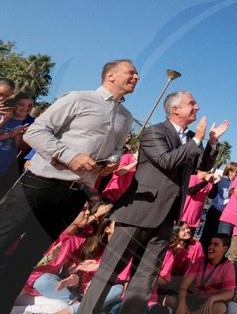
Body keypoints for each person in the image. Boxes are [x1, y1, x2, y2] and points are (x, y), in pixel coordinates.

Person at [0, 59, 138, 313]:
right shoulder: (78, 98)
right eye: (131, 72)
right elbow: (35, 132)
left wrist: (112, 163)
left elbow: (117, 150)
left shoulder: (126, 117)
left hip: (74, 195)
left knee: (28, 256)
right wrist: (70, 156)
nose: (136, 77)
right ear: (110, 76)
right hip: (40, 183)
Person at [77, 91, 229, 314]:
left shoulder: (188, 139)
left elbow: (203, 165)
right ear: (175, 109)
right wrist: (197, 139)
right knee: (108, 274)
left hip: (167, 218)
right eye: (192, 104)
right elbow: (166, 161)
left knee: (144, 281)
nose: (197, 108)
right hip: (138, 213)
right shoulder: (154, 132)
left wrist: (212, 142)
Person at [164, 233, 235, 314]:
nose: (211, 247)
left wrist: (212, 299)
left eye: (216, 244)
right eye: (210, 244)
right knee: (169, 299)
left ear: (224, 249)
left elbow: (230, 293)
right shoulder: (200, 261)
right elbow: (184, 285)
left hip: (207, 303)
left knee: (220, 308)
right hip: (193, 298)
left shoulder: (228, 266)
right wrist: (182, 304)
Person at [200, 162, 237, 252]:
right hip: (216, 211)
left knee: (218, 239)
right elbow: (225, 194)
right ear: (230, 171)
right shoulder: (223, 180)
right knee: (207, 237)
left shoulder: (235, 183)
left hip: (225, 214)